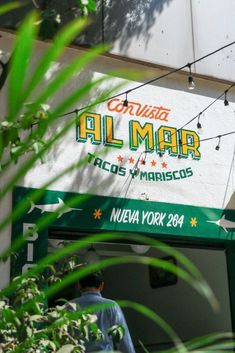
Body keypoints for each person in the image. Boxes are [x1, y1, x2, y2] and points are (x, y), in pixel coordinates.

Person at [69, 271, 136, 353]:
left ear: (79, 286)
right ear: (101, 285)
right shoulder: (111, 305)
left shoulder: (69, 307)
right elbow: (123, 340)